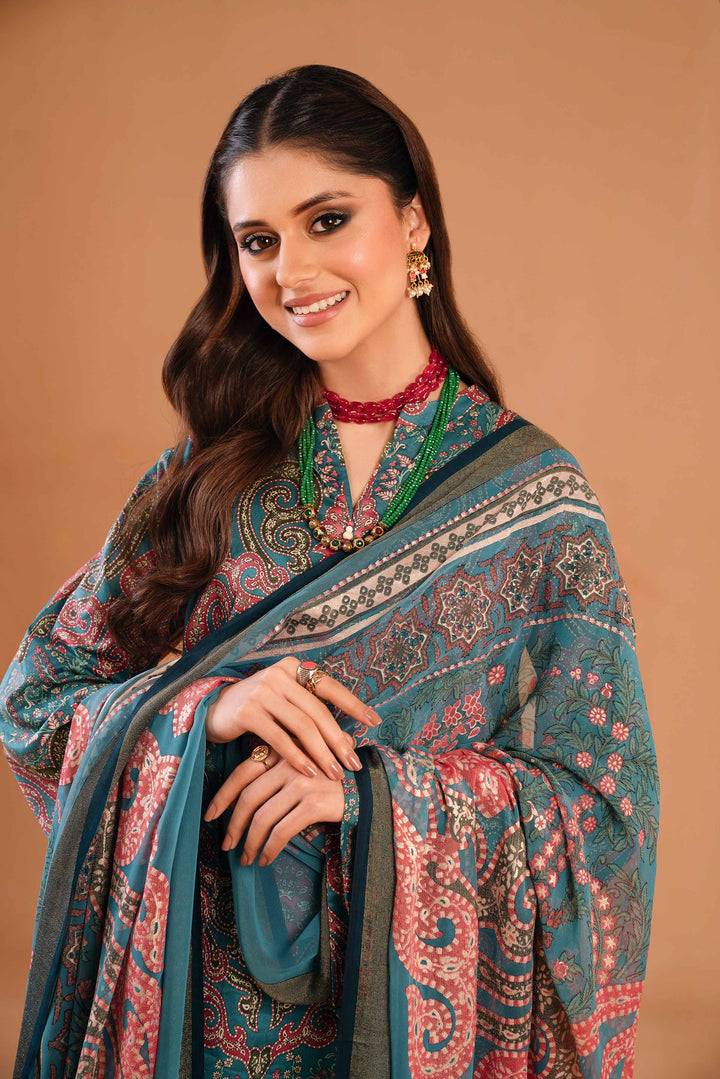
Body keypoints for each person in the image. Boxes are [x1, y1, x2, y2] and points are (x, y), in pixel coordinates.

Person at [0, 63, 659, 1079]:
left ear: (414, 220)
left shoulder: (537, 503)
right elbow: (35, 702)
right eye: (258, 240)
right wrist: (202, 710)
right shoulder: (207, 478)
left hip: (395, 1038)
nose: (292, 271)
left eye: (327, 220)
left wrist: (370, 800)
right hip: (193, 1025)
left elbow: (602, 816)